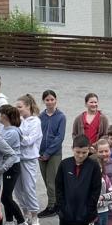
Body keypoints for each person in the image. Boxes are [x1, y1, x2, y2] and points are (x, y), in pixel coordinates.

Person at [15, 95, 43, 225]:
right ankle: (25, 213)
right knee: (18, 189)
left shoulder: (35, 122)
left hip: (29, 159)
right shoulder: (18, 120)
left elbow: (29, 140)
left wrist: (16, 136)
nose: (17, 109)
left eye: (20, 107)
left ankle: (34, 215)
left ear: (28, 106)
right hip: (16, 158)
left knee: (29, 187)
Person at [39, 89, 66, 217]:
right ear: (43, 101)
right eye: (47, 100)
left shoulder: (61, 117)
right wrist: (39, 152)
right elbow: (37, 135)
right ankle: (56, 203)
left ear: (56, 100)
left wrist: (48, 153)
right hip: (41, 153)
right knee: (46, 180)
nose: (50, 102)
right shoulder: (40, 117)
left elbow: (60, 137)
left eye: (52, 99)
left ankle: (52, 206)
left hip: (54, 154)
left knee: (52, 181)